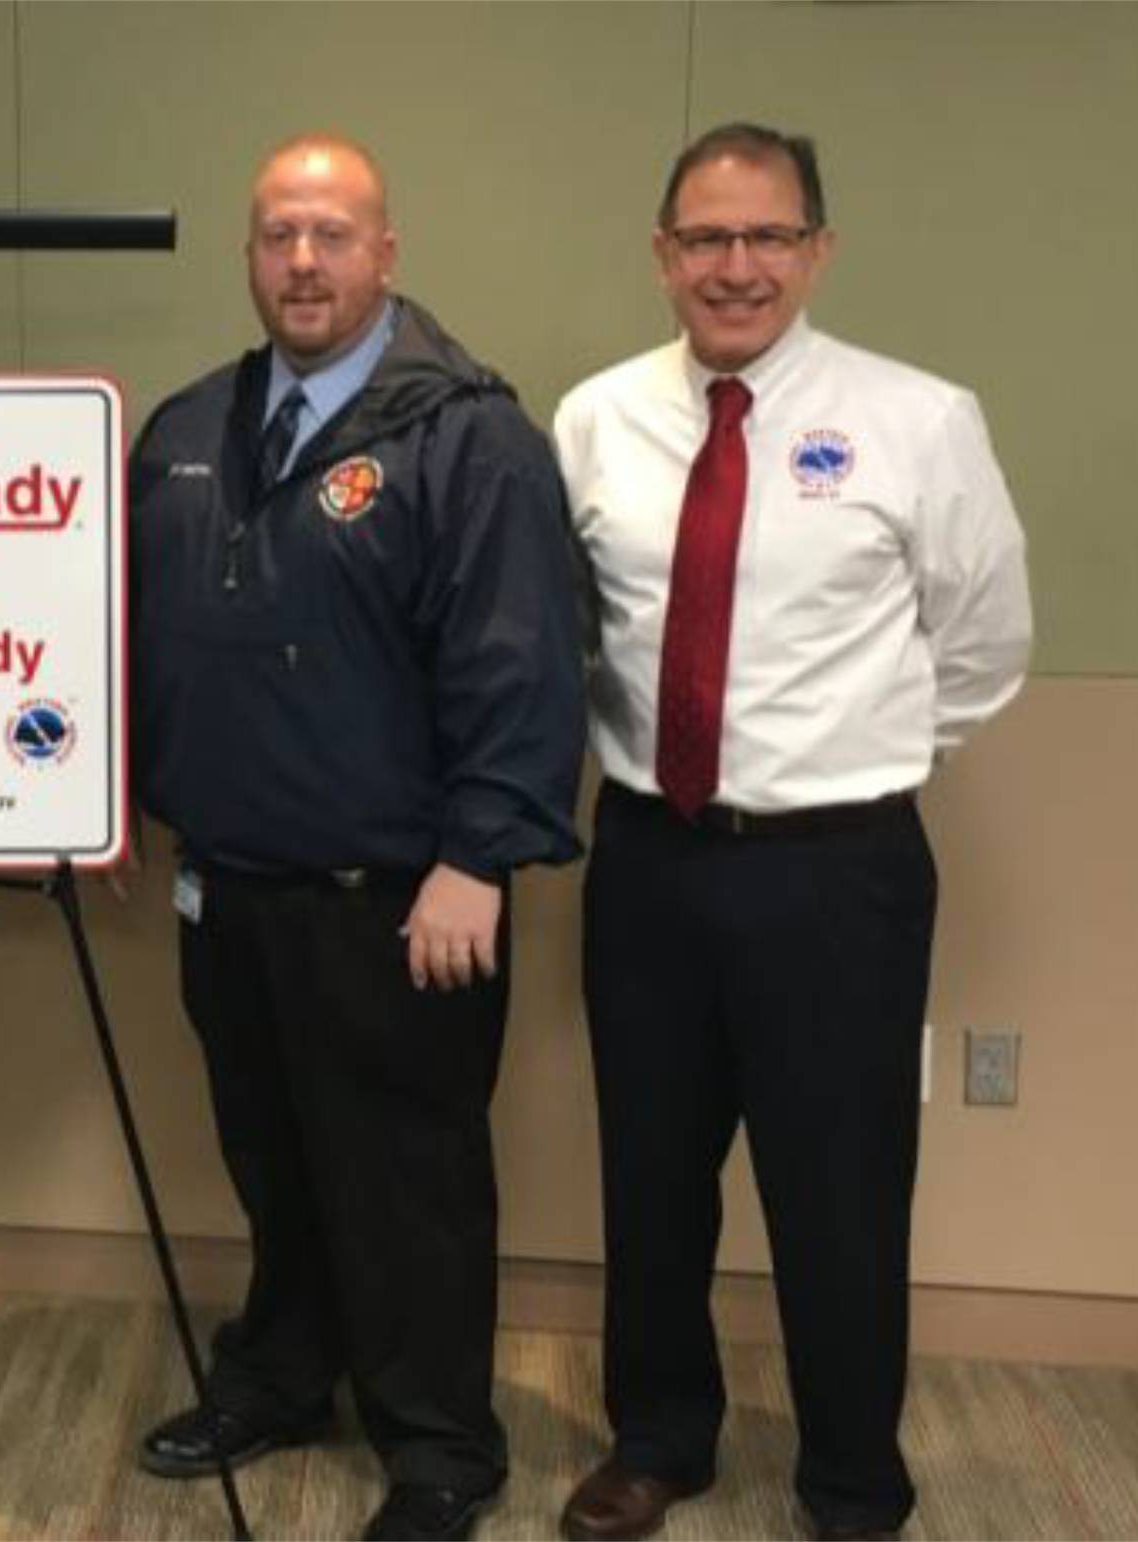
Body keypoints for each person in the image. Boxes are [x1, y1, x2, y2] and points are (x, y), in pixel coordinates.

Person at [552, 123, 1031, 1542]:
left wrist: (847, 757)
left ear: (816, 248)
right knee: (647, 1174)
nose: (735, 266)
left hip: (836, 871)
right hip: (645, 854)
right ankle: (659, 1436)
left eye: (766, 236)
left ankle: (849, 1482)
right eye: (705, 237)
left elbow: (984, 642)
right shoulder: (593, 420)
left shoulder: (918, 418)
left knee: (837, 1189)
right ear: (661, 255)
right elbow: (573, 637)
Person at [126, 134, 585, 1542]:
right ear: (248, 254)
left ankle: (441, 1440)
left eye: (332, 233)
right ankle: (279, 1372)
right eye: (277, 234)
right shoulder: (189, 428)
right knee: (269, 1157)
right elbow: (136, 637)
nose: (303, 260)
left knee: (408, 1181)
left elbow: (519, 665)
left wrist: (477, 859)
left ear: (386, 252)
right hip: (231, 882)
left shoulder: (468, 436)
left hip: (400, 897)